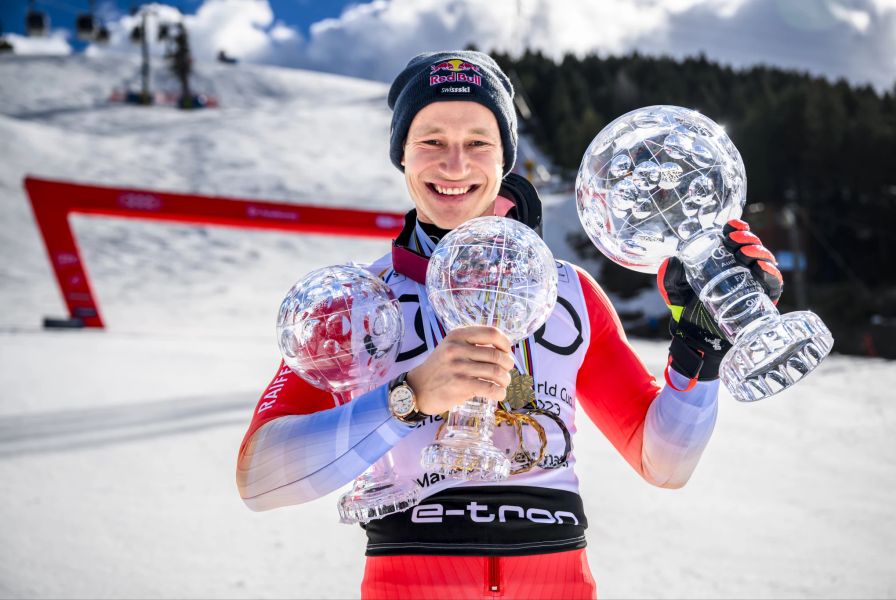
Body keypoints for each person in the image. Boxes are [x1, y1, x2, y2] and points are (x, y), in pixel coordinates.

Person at [236, 50, 783, 599]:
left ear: (505, 160)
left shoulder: (568, 293)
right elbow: (259, 479)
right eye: (431, 141)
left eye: (478, 142)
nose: (455, 165)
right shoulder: (355, 304)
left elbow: (663, 463)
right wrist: (409, 398)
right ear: (401, 155)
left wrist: (698, 349)